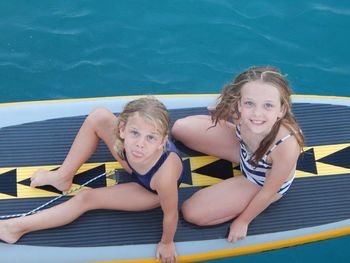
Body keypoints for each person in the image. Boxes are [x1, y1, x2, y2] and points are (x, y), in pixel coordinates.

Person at [0, 97, 183, 263]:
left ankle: (15, 228)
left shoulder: (164, 176)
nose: (140, 144)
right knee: (99, 116)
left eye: (151, 137)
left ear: (162, 142)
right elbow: (122, 133)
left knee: (86, 199)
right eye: (135, 133)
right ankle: (62, 177)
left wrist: (167, 242)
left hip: (150, 190)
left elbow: (171, 214)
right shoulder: (133, 146)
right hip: (135, 165)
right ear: (122, 129)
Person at [172, 66, 304, 243]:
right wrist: (221, 111)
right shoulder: (240, 112)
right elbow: (230, 108)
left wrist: (243, 221)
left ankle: (238, 206)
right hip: (244, 152)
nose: (257, 113)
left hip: (259, 180)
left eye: (268, 105)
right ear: (239, 102)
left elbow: (268, 192)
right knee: (180, 129)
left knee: (191, 212)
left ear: (281, 109)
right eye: (249, 103)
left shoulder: (286, 146)